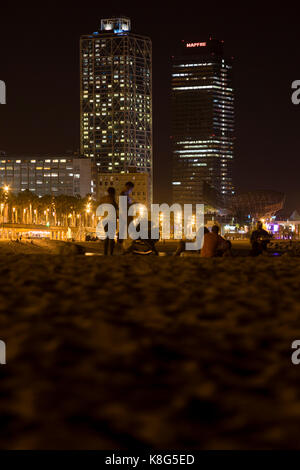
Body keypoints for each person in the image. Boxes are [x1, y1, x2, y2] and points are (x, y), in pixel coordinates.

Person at [100, 187, 118, 255]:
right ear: (113, 193)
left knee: (106, 237)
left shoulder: (103, 199)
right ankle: (111, 253)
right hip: (111, 220)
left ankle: (105, 252)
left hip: (105, 219)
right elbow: (115, 207)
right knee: (111, 238)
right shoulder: (112, 199)